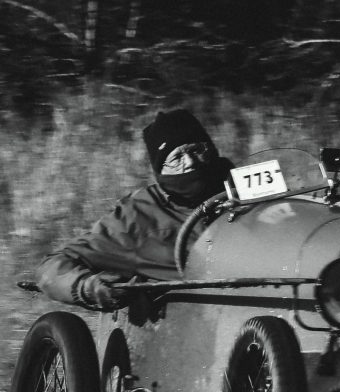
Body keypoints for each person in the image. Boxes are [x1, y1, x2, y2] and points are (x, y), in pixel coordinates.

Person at [36, 109, 232, 309]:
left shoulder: (244, 187)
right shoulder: (139, 218)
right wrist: (89, 287)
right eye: (176, 158)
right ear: (160, 169)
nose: (190, 162)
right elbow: (50, 269)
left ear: (211, 149)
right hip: (193, 316)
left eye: (196, 150)